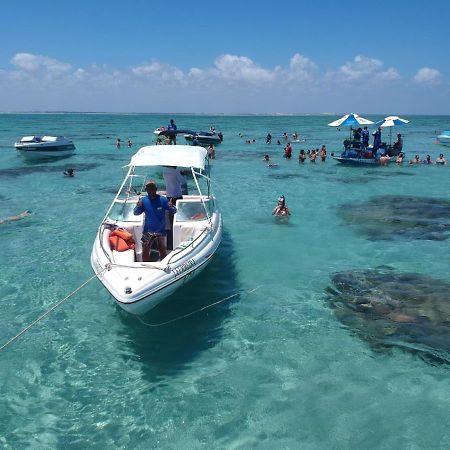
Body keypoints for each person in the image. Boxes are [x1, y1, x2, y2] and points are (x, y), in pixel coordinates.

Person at [133, 181, 176, 261]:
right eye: (149, 188)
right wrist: (138, 206)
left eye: (152, 188)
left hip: (161, 232)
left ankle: (163, 267)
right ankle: (145, 268)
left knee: (163, 250)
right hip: (147, 231)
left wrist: (171, 206)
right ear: (146, 190)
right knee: (145, 251)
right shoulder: (143, 200)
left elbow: (174, 211)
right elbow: (136, 213)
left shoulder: (163, 200)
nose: (150, 190)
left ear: (156, 189)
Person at [163, 167, 186, 250]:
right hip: (177, 195)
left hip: (169, 195)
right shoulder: (176, 171)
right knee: (179, 213)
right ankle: (178, 231)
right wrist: (183, 174)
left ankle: (172, 230)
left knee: (170, 214)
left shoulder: (165, 171)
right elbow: (183, 181)